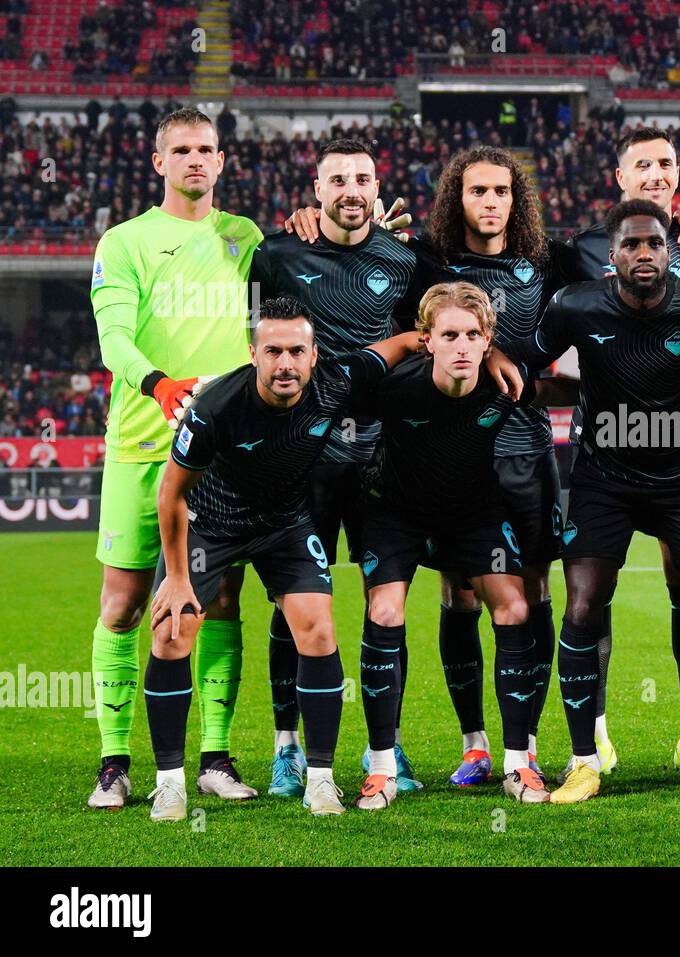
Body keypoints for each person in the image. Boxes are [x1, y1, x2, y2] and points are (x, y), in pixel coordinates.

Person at [497, 200, 680, 805]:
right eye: (632, 245)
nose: (644, 254)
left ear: (671, 252)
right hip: (603, 480)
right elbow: (523, 354)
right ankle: (584, 760)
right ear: (611, 256)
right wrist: (505, 366)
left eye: (655, 244)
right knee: (583, 606)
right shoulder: (576, 305)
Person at [147, 296, 424, 820]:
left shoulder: (334, 383)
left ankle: (320, 779)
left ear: (314, 355)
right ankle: (169, 783)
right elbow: (171, 494)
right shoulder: (215, 407)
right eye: (273, 351)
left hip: (284, 526)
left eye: (297, 351)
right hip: (212, 525)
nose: (285, 364)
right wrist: (178, 578)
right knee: (171, 630)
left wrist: (422, 338)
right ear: (253, 353)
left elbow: (389, 350)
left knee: (318, 628)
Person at [87, 108, 262, 811]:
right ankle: (114, 762)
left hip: (222, 450)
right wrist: (160, 385)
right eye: (182, 149)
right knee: (126, 603)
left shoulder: (242, 238)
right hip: (142, 442)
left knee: (218, 597)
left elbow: (298, 276)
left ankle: (215, 757)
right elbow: (112, 340)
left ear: (222, 161)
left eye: (207, 149)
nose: (196, 159)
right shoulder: (125, 241)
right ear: (158, 161)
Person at [349, 282, 576, 807]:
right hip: (395, 511)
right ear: (427, 339)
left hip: (473, 511)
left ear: (487, 340)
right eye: (448, 334)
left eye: (473, 335)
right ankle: (381, 767)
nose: (461, 345)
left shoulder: (505, 385)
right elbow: (337, 381)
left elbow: (567, 390)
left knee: (517, 607)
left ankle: (519, 763)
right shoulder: (394, 388)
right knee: (384, 612)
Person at [253, 137, 420, 796]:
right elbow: (259, 350)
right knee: (296, 606)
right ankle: (286, 748)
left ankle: (386, 753)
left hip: (382, 459)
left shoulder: (404, 260)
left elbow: (419, 345)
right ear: (315, 189)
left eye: (363, 178)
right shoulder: (277, 254)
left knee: (388, 605)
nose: (351, 189)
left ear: (377, 189)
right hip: (304, 461)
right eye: (338, 179)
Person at [564, 127, 680, 782]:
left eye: (666, 162)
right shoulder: (578, 254)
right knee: (589, 595)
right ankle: (592, 736)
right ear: (617, 174)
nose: (655, 172)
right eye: (642, 163)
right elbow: (553, 328)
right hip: (605, 451)